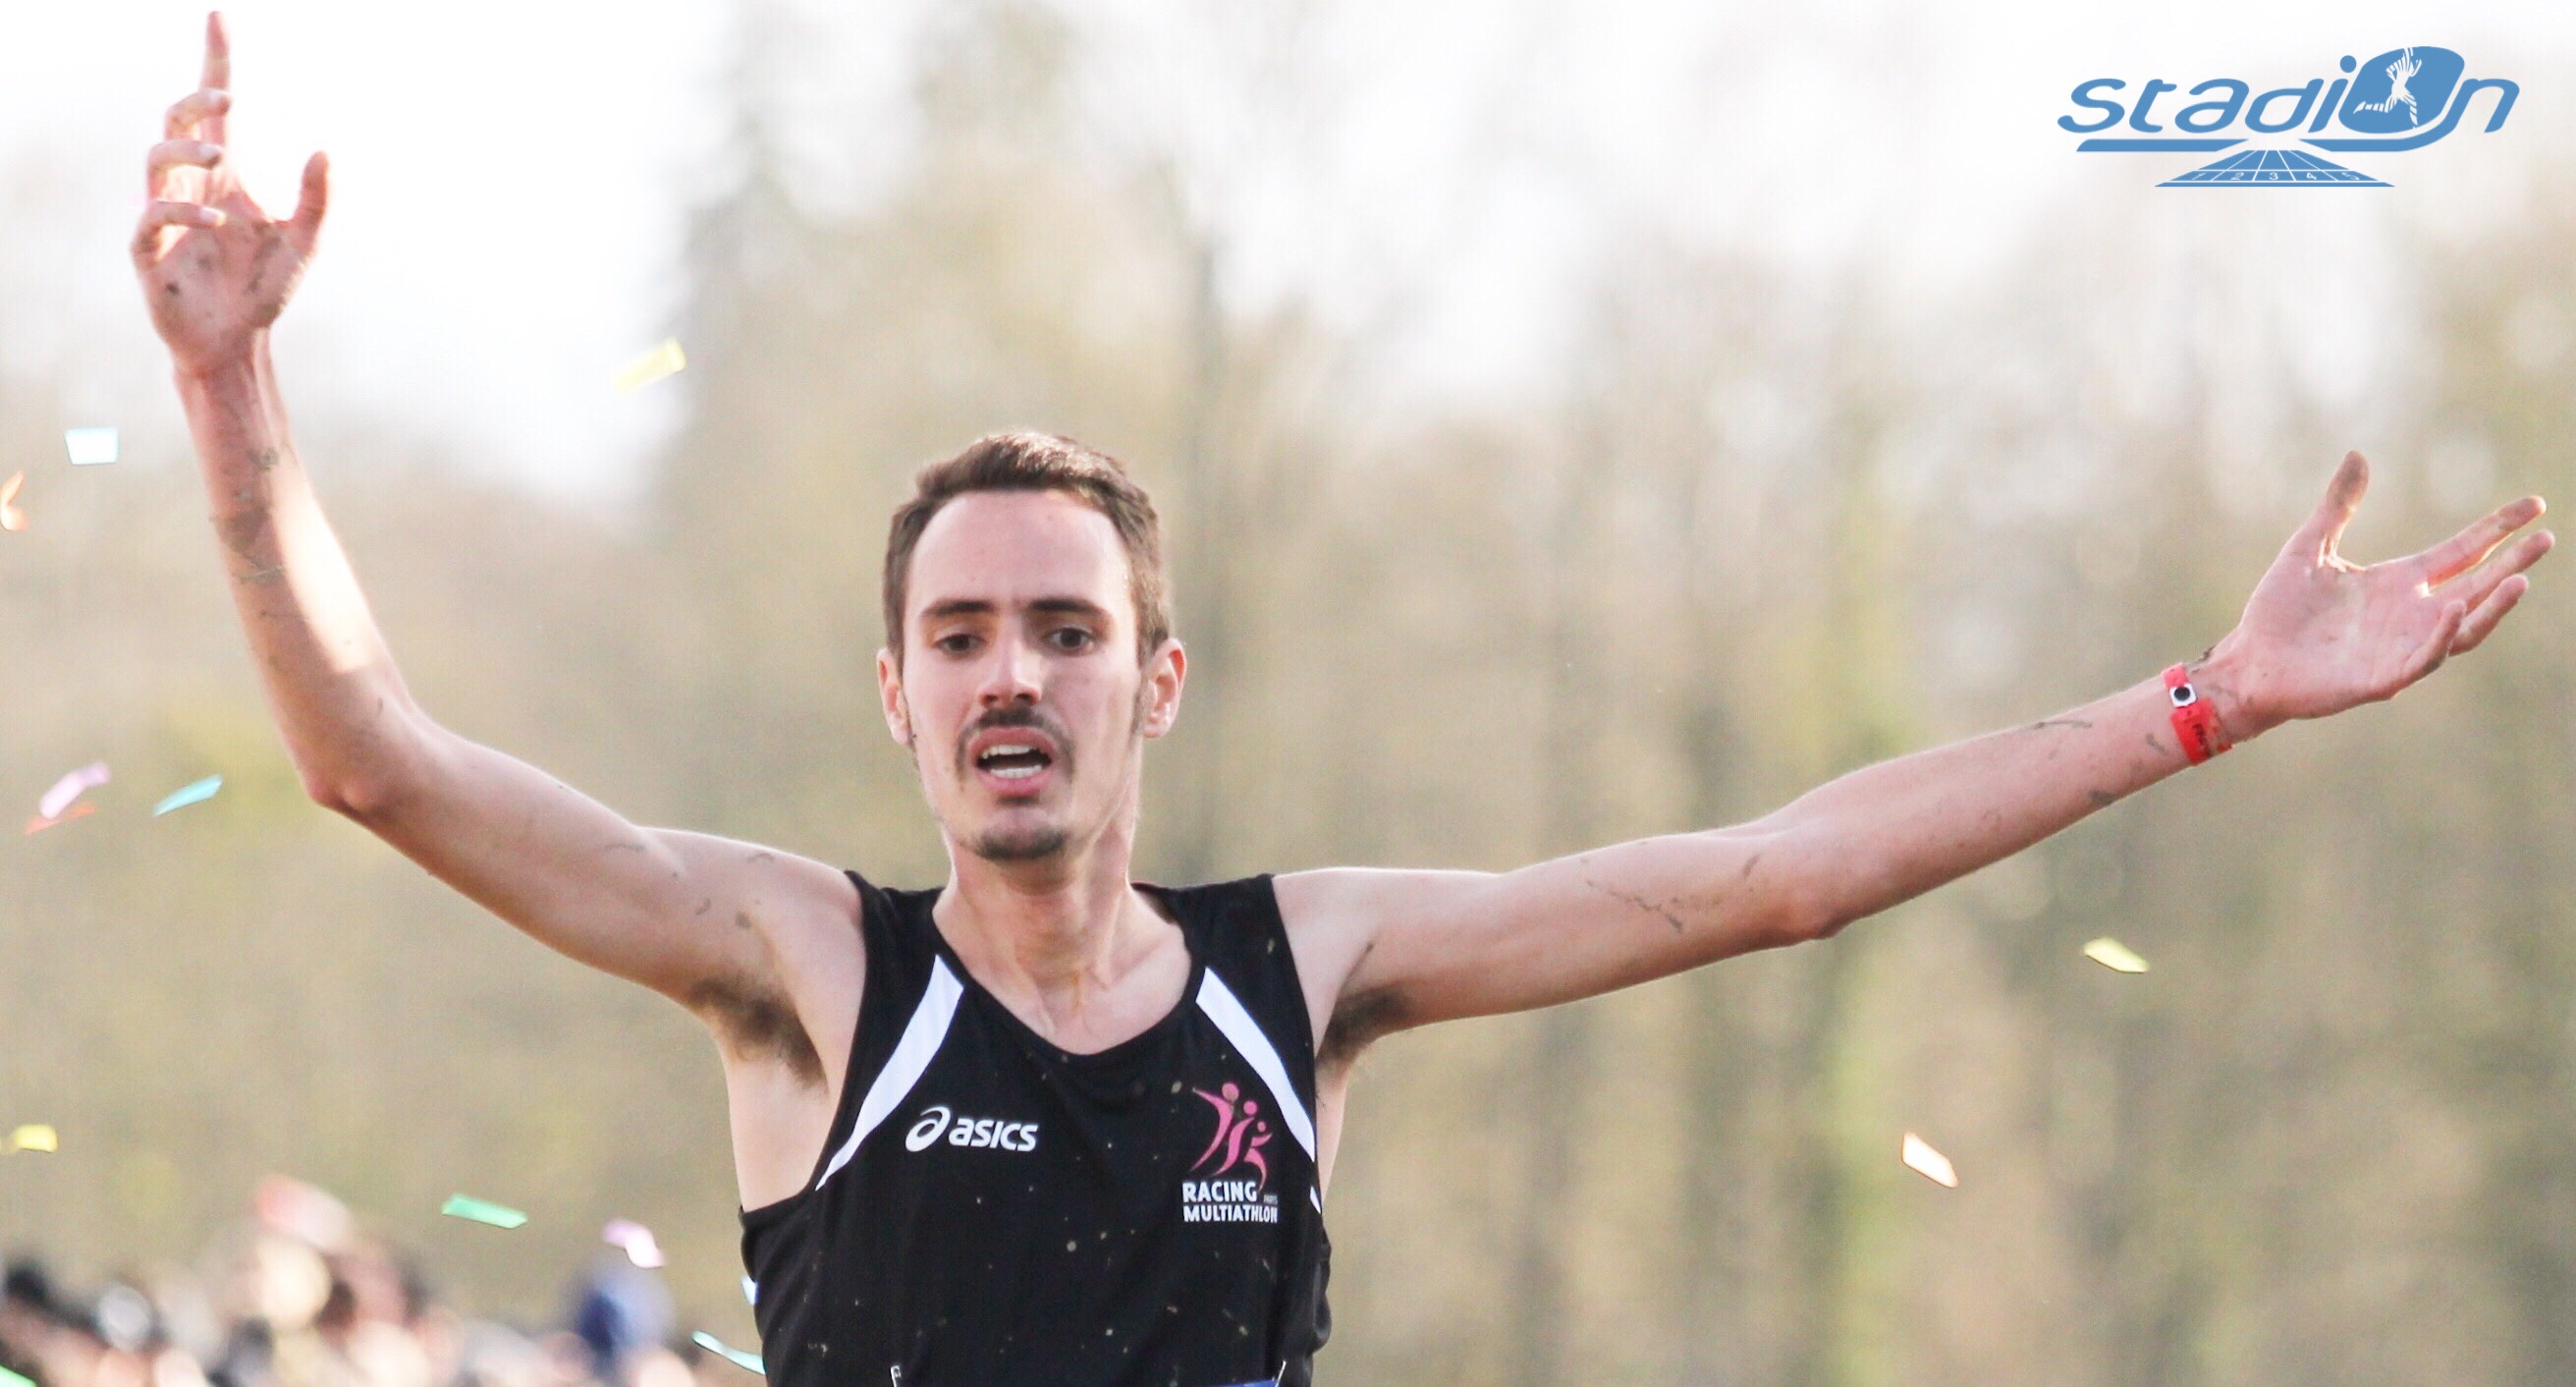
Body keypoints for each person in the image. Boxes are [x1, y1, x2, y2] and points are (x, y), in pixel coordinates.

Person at [133, 14, 2552, 1387]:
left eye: (1063, 629)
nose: (1012, 674)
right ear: (889, 693)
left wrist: (2202, 705)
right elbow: (378, 757)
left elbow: (1775, 879)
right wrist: (238, 404)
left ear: (1153, 679)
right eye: (961, 635)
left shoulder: (1315, 969)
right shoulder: (802, 971)